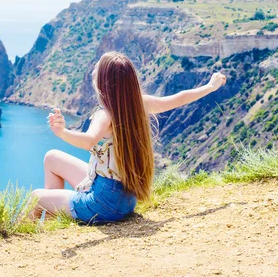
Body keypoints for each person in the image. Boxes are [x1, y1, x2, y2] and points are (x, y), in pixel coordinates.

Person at [31, 51, 227, 223]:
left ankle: (36, 237)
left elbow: (89, 141)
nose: (94, 68)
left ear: (102, 82)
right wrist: (210, 86)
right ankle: (54, 223)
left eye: (97, 67)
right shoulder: (137, 103)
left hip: (102, 205)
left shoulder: (105, 114)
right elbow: (179, 98)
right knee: (52, 158)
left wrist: (62, 132)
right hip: (125, 200)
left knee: (36, 197)